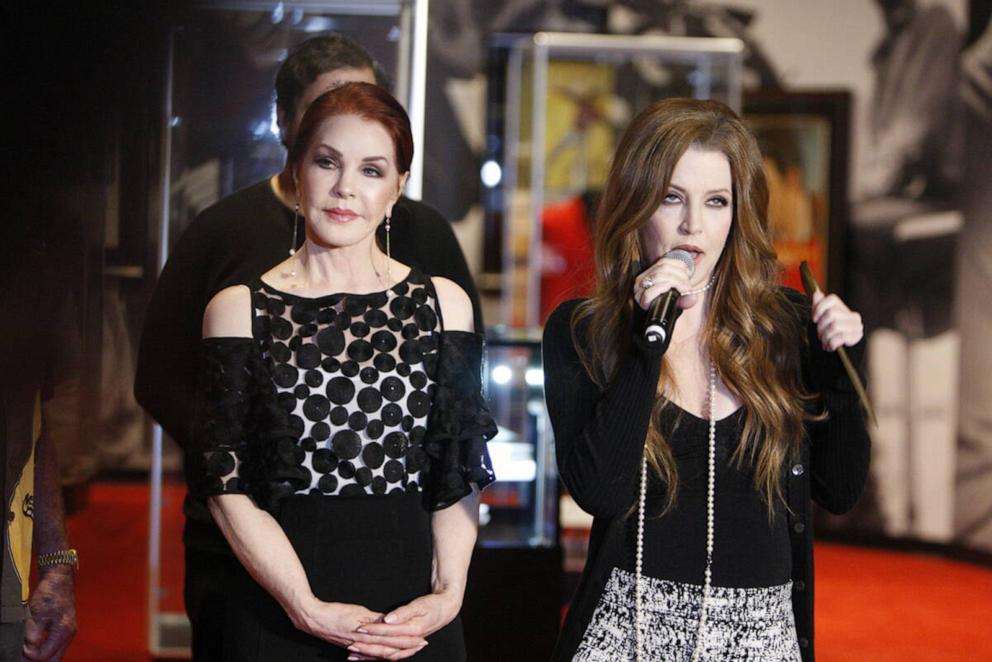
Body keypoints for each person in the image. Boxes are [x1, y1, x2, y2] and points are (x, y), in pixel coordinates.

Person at [133, 34, 482, 658]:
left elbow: (454, 474)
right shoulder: (237, 308)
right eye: (328, 162)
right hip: (277, 597)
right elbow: (227, 484)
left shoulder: (444, 303)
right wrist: (305, 606)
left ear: (397, 186)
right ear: (298, 168)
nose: (347, 188)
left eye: (371, 170)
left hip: (414, 604)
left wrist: (448, 594)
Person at [542, 98, 870, 661]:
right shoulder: (584, 330)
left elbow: (839, 491)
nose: (694, 224)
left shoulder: (784, 325)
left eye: (716, 201)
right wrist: (649, 340)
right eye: (672, 198)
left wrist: (840, 367)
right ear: (636, 204)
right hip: (631, 635)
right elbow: (600, 490)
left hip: (762, 638)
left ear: (737, 214)